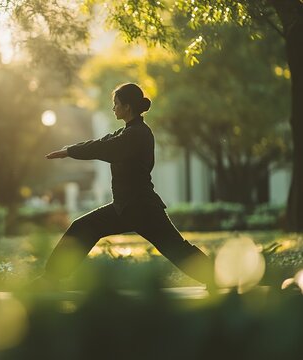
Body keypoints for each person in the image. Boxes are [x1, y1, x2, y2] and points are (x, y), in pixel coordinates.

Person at [37, 83, 216, 293]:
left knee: (175, 248)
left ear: (127, 107)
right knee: (82, 228)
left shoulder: (137, 134)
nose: (113, 108)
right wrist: (70, 149)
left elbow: (105, 147)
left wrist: (70, 152)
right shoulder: (128, 132)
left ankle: (216, 276)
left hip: (141, 207)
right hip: (126, 207)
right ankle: (51, 278)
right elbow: (102, 141)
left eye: (116, 104)